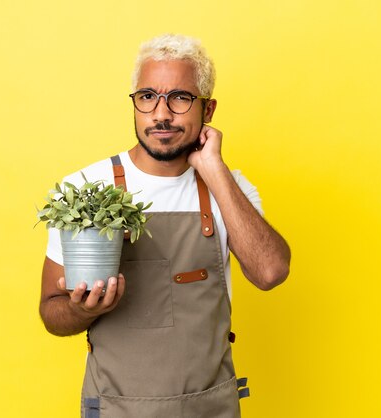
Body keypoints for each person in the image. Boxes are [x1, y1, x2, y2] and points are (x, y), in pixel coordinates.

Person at [39, 33, 291, 418]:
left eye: (180, 97)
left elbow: (271, 272)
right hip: (116, 408)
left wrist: (215, 172)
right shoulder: (85, 191)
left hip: (212, 408)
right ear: (135, 104)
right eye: (147, 97)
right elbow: (51, 313)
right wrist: (83, 311)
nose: (161, 114)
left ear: (208, 110)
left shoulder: (231, 189)